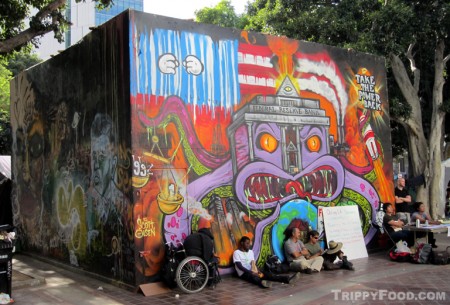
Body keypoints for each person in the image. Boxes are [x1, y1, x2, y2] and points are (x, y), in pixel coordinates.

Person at [233, 236, 299, 288]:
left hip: (253, 270)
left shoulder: (251, 252)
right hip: (243, 273)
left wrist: (258, 271)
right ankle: (263, 283)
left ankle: (287, 279)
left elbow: (253, 264)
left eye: (249, 243)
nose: (248, 245)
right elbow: (240, 266)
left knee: (268, 274)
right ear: (242, 243)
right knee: (253, 278)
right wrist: (251, 272)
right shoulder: (237, 253)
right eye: (247, 243)